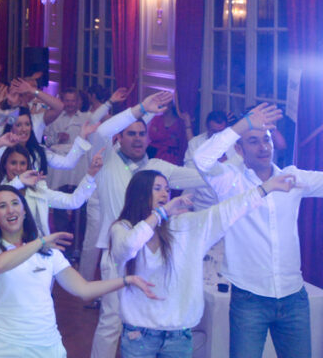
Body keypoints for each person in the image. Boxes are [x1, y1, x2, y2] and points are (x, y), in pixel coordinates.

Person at [109, 168, 296, 358]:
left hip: (178, 337)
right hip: (138, 336)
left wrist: (264, 189)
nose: (165, 194)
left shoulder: (184, 225)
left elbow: (225, 211)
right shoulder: (122, 228)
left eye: (167, 189)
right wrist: (161, 213)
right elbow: (128, 246)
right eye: (157, 188)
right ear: (140, 193)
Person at [192, 103, 323, 358]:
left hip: (293, 297)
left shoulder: (291, 177)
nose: (263, 147)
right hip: (249, 299)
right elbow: (201, 159)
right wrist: (243, 125)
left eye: (266, 140)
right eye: (253, 141)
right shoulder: (229, 180)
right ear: (239, 149)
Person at [89, 91, 210, 358]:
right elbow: (102, 131)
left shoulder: (157, 167)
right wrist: (141, 109)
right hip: (118, 251)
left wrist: (234, 166)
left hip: (154, 253)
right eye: (130, 134)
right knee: (111, 322)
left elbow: (201, 178)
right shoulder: (107, 159)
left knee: (146, 322)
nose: (137, 139)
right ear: (119, 138)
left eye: (142, 134)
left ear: (148, 138)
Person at [0, 185, 157, 358]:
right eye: (2, 206)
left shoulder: (48, 252)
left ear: (24, 211)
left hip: (45, 344)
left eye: (15, 203)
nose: (10, 210)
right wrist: (40, 242)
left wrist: (126, 280)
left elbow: (84, 289)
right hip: (1, 345)